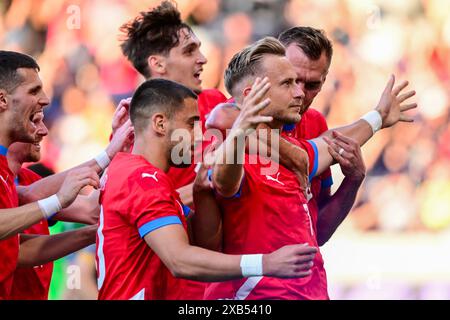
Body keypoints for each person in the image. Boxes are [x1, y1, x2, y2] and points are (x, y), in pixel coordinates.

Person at [200, 37, 416, 299]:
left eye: (311, 84)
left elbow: (330, 148)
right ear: (252, 95)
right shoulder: (227, 142)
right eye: (288, 83)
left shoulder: (299, 145)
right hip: (255, 297)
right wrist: (241, 129)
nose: (300, 93)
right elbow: (224, 181)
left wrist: (377, 119)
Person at [95, 78, 318, 300]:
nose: (199, 135)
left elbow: (205, 243)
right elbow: (179, 260)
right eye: (191, 123)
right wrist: (265, 263)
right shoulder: (142, 179)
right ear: (160, 124)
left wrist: (201, 194)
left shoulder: (137, 174)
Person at [0, 50, 100, 299]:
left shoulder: (20, 181)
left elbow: (21, 249)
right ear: (2, 100)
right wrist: (58, 200)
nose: (43, 130)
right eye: (34, 92)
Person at [119, 0, 228, 206]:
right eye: (189, 51)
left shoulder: (215, 101)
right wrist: (216, 176)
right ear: (158, 64)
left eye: (199, 49)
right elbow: (142, 204)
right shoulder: (131, 126)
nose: (203, 59)